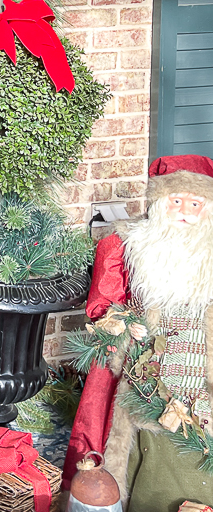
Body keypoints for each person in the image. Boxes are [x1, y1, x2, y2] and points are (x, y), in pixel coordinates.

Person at [63, 154, 213, 511]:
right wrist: (124, 322)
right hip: (144, 364)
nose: (185, 211)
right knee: (139, 427)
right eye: (175, 201)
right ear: (159, 203)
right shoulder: (127, 246)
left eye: (195, 203)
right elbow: (102, 306)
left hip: (200, 361)